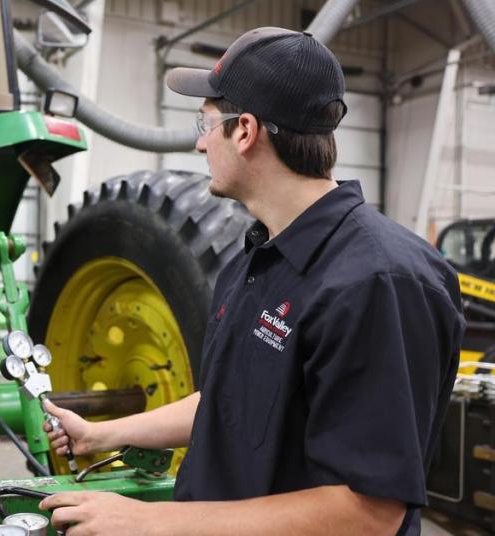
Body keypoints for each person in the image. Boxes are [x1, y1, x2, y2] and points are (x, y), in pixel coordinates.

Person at [39, 27, 464, 536]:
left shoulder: (378, 282)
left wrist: (149, 521)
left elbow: (369, 514)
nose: (199, 142)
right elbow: (229, 400)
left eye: (205, 122)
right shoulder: (256, 262)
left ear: (244, 131)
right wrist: (100, 434)